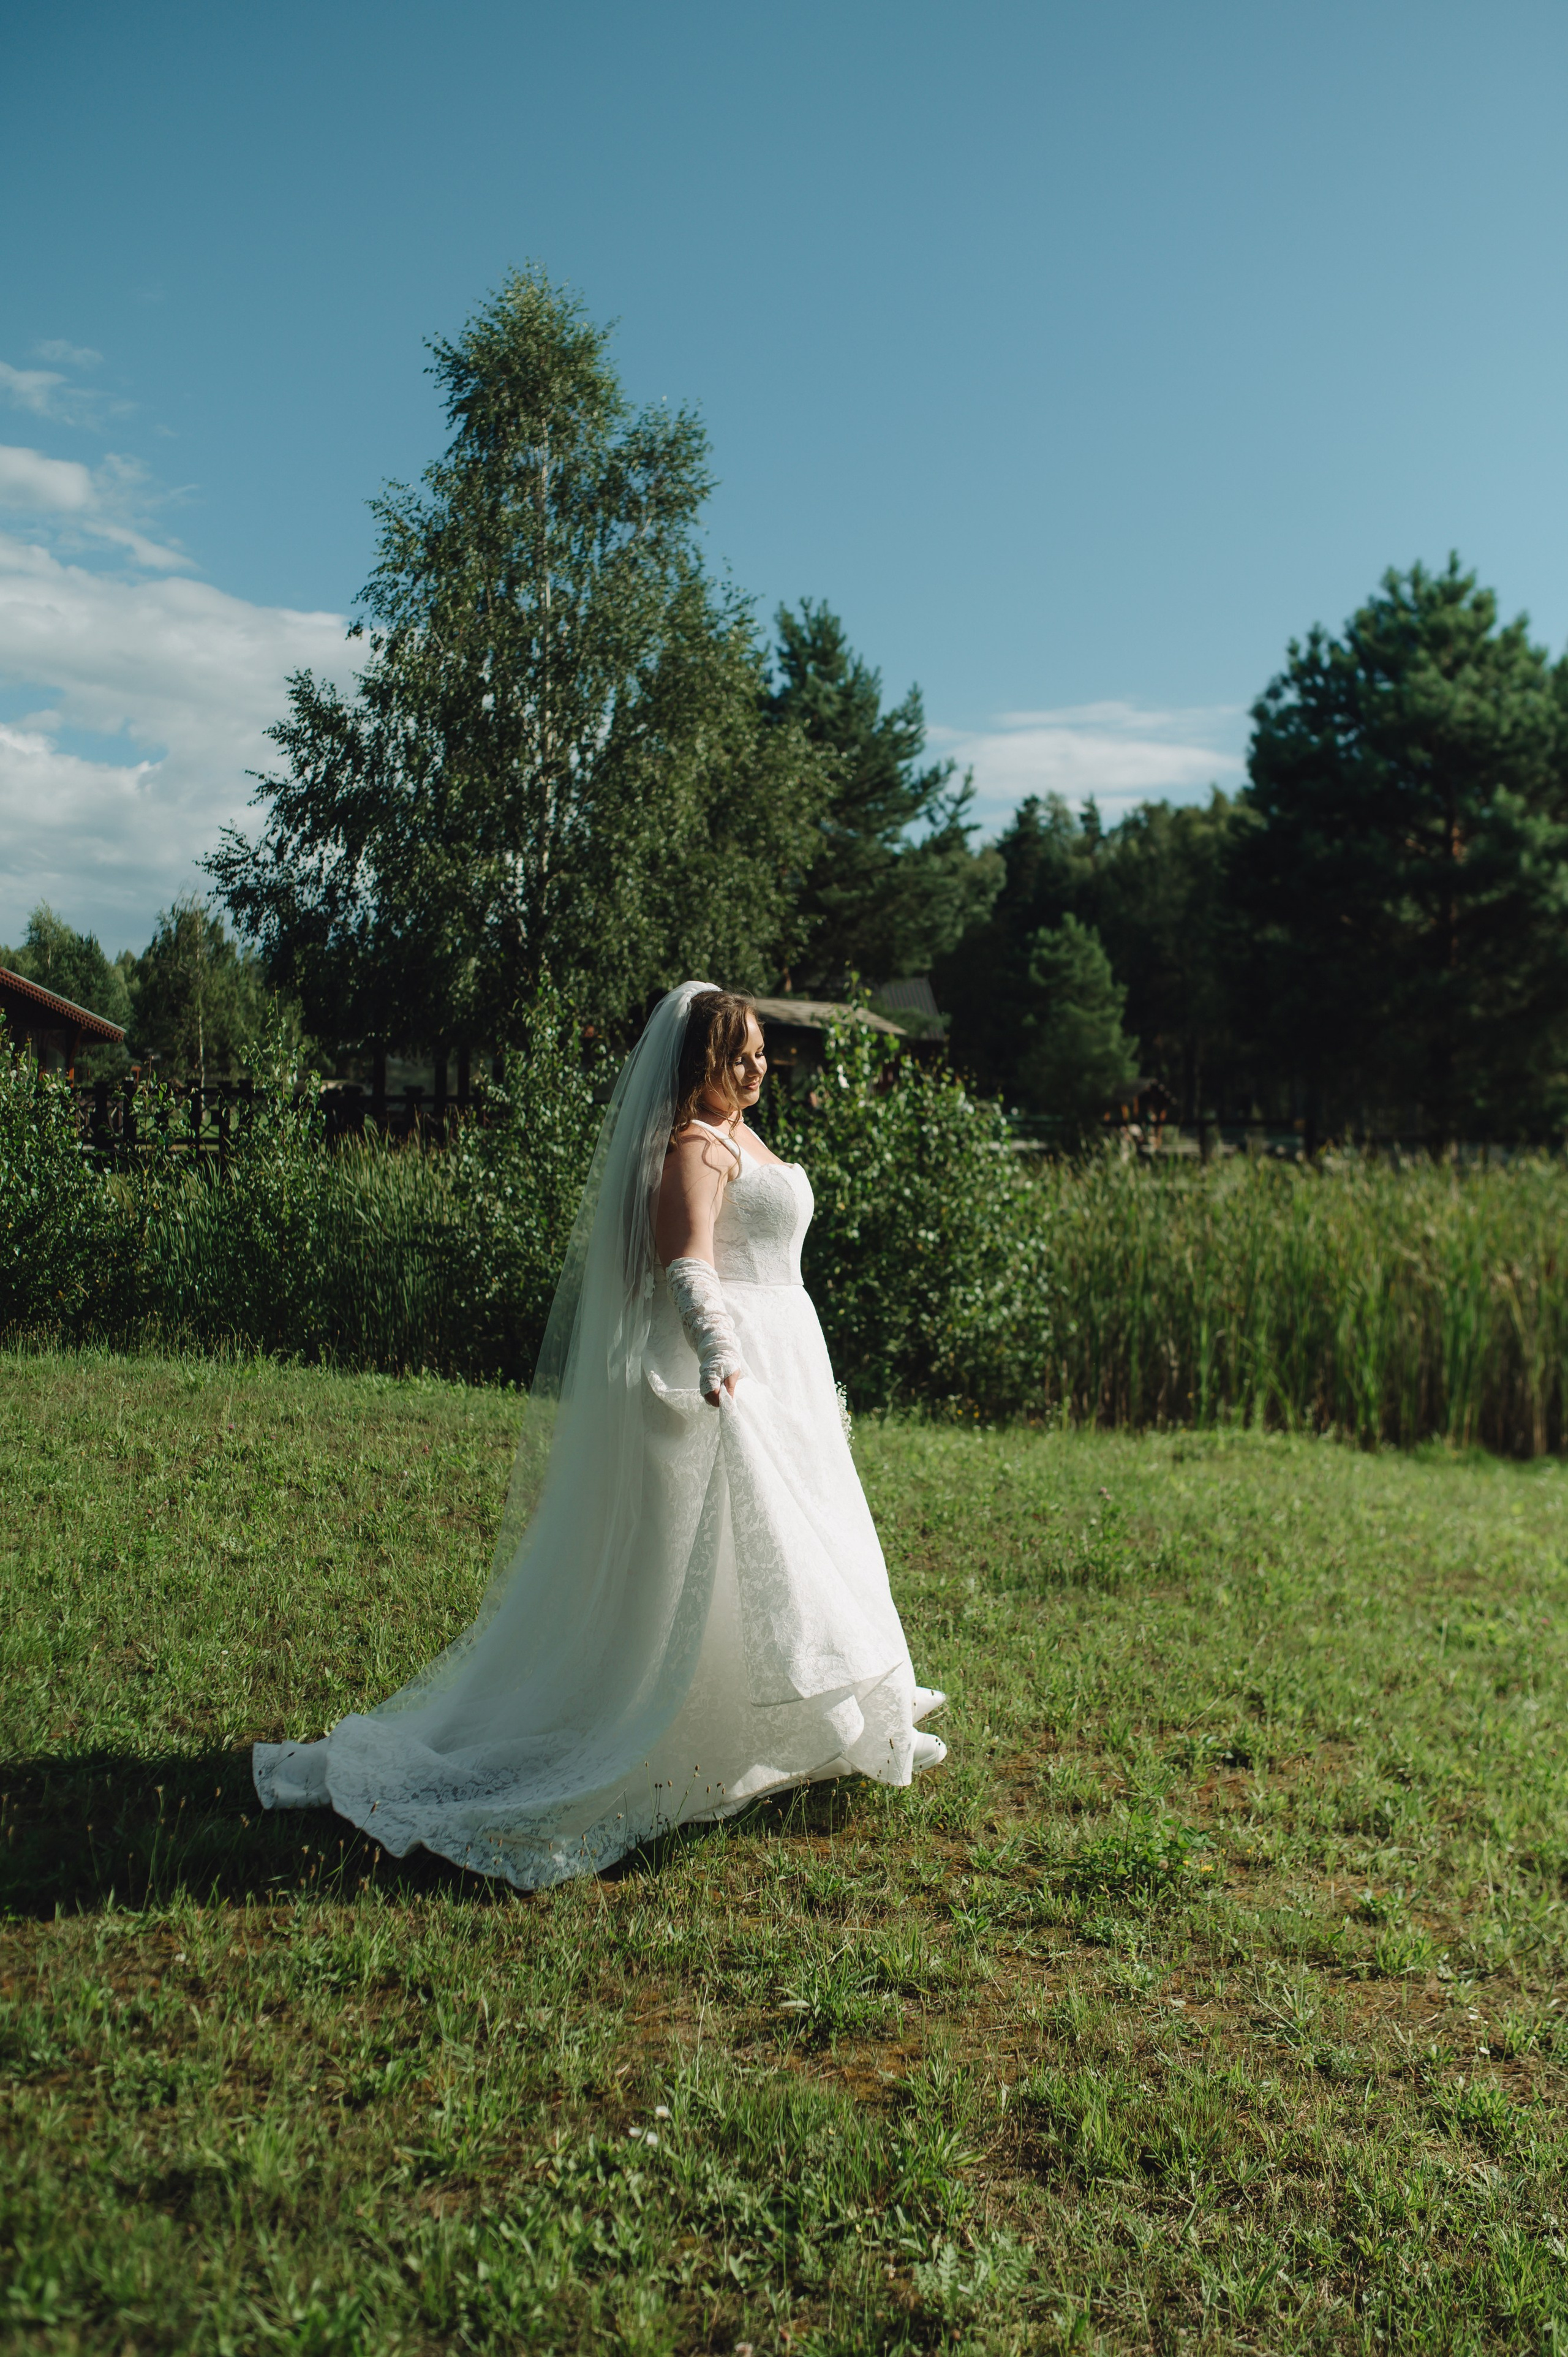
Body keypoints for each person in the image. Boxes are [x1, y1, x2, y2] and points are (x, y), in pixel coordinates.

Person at [253, 982, 948, 1887]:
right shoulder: (694, 1147)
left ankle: (800, 1722)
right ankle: (694, 1732)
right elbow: (688, 1264)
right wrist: (719, 1359)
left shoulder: (742, 1133)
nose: (756, 1066)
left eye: (763, 1053)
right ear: (699, 1060)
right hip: (734, 1367)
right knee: (733, 1553)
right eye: (739, 1053)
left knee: (793, 1540)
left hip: (790, 1365)